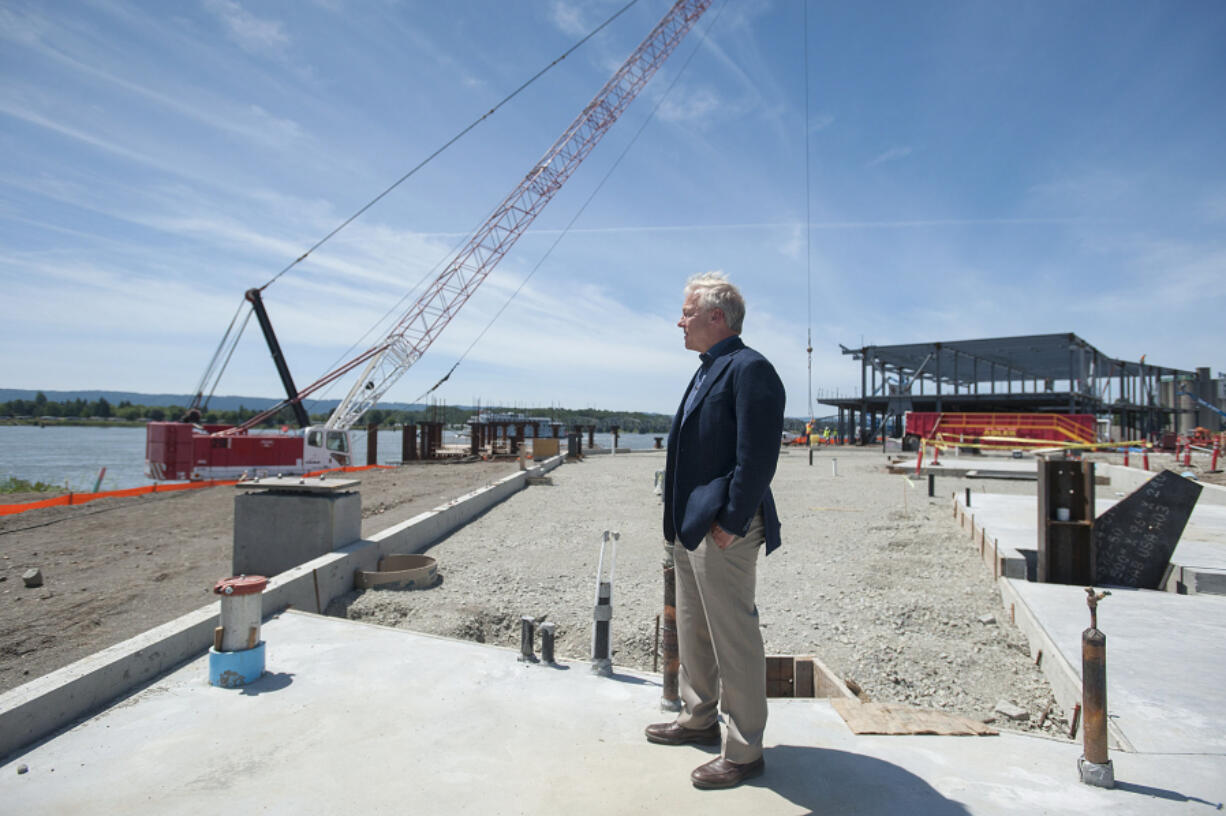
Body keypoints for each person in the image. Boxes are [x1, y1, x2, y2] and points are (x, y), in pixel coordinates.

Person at [646, 271, 785, 790]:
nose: (678, 321)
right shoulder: (709, 370)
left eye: (686, 312)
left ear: (715, 317)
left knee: (734, 636)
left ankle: (745, 750)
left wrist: (731, 519)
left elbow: (758, 456)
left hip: (724, 527)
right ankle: (698, 718)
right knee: (695, 629)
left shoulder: (751, 370)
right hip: (690, 527)